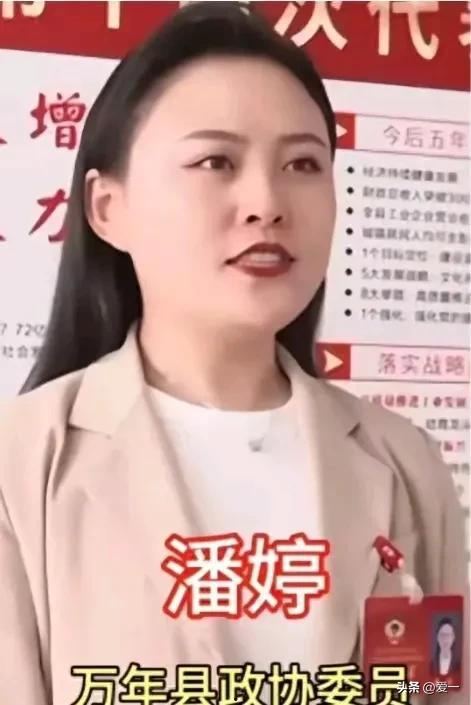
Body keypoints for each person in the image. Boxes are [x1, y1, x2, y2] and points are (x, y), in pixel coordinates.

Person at [0, 2, 467, 703]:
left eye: (302, 163)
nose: (266, 202)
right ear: (107, 209)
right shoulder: (21, 464)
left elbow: (437, 685)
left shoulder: (406, 462)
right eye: (215, 160)